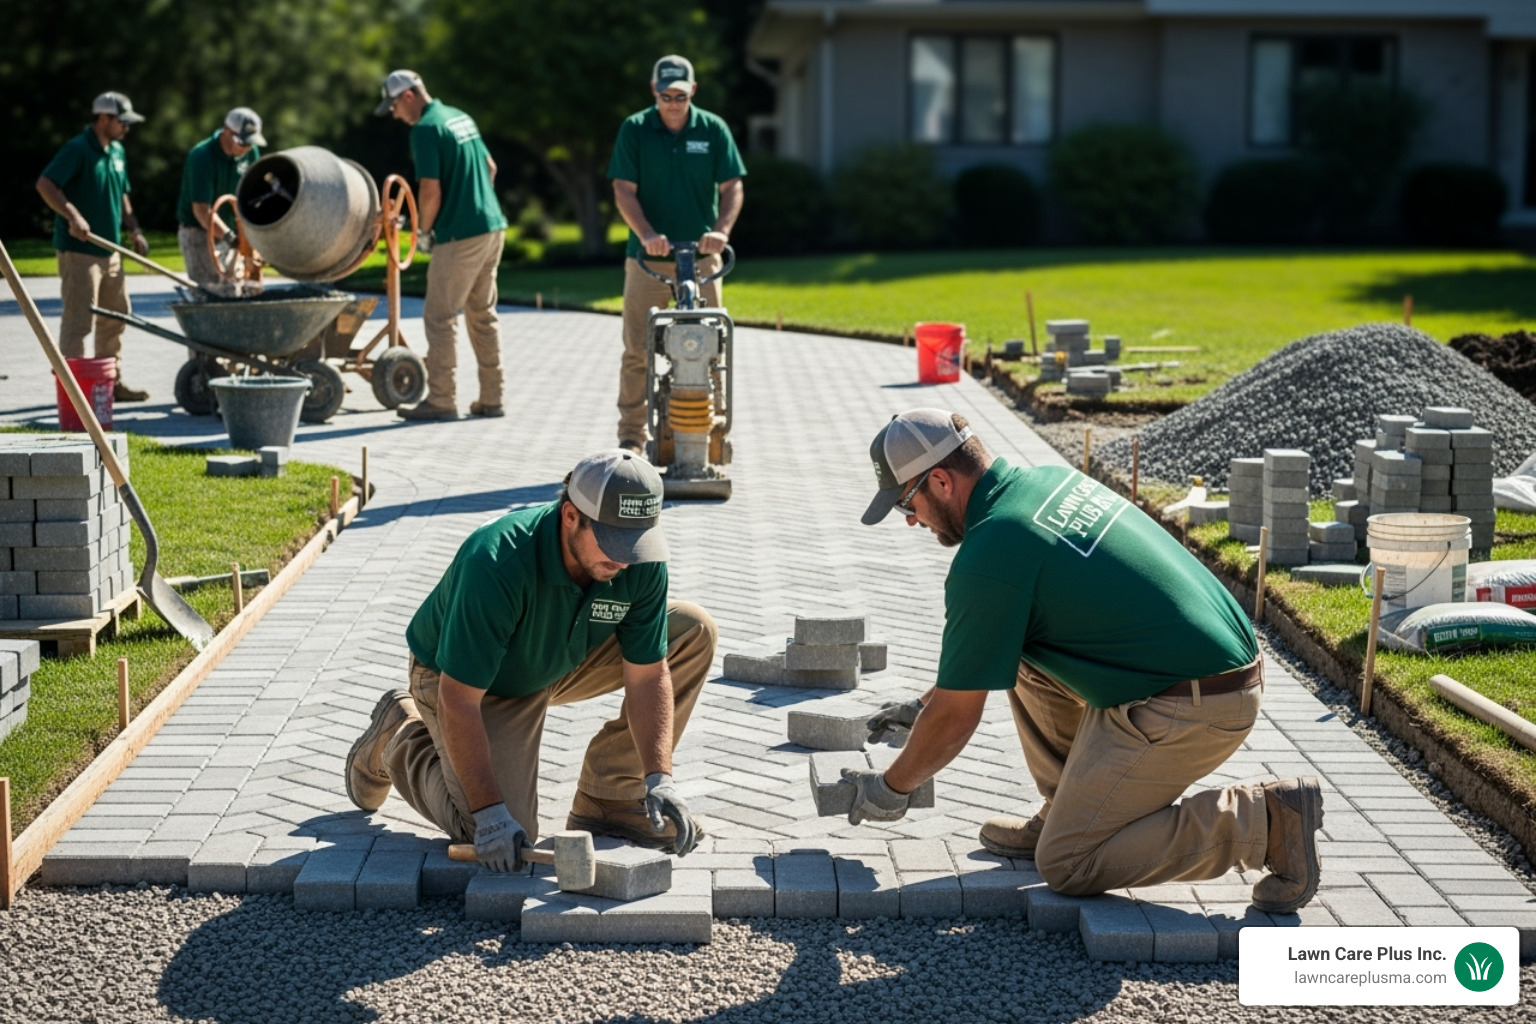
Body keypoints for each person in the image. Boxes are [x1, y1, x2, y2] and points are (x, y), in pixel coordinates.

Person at [846, 408, 1325, 914]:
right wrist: (921, 707)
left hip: (1200, 703)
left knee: (1070, 863)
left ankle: (1266, 822)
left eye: (906, 503)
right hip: (1208, 668)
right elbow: (972, 671)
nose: (912, 520)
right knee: (1023, 653)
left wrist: (891, 787)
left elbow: (957, 717)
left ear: (940, 480)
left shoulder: (990, 555)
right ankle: (1067, 811)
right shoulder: (1045, 482)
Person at [344, 450, 715, 868]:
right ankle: (401, 733)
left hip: (561, 653)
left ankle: (610, 797)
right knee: (499, 828)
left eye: (636, 542)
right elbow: (459, 700)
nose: (625, 558)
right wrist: (488, 815)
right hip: (469, 681)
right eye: (613, 542)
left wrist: (658, 777)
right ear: (571, 516)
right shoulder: (496, 562)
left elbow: (648, 675)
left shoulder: (635, 560)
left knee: (693, 629)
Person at [608, 55, 745, 455]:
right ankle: (632, 436)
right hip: (648, 259)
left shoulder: (713, 129)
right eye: (665, 95)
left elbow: (732, 185)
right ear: (654, 91)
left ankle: (713, 429)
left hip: (702, 258)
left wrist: (720, 232)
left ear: (692, 92)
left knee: (714, 345)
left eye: (680, 96)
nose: (672, 103)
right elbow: (623, 189)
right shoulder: (635, 130)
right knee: (637, 349)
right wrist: (647, 234)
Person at [376, 70, 508, 421]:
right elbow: (490, 168)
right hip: (492, 226)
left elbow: (430, 191)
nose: (393, 113)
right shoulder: (459, 117)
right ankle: (493, 398)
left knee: (439, 316)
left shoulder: (425, 129)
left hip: (459, 235)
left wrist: (423, 232)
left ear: (407, 97)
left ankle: (441, 400)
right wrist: (475, 202)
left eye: (393, 105)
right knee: (483, 314)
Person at [35, 92, 151, 402]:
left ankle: (108, 384)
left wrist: (134, 229)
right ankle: (73, 392)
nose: (127, 128)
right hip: (79, 251)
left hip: (110, 250)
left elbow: (122, 194)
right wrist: (73, 215)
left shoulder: (117, 151)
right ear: (103, 119)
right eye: (122, 122)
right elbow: (45, 184)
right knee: (78, 320)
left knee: (116, 316)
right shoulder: (77, 149)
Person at [176, 107, 265, 296]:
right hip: (199, 232)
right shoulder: (202, 157)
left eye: (250, 143)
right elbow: (201, 211)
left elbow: (251, 197)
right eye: (242, 142)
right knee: (215, 291)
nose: (246, 148)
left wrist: (251, 239)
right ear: (226, 131)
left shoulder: (250, 153)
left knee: (248, 288)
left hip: (233, 231)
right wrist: (231, 239)